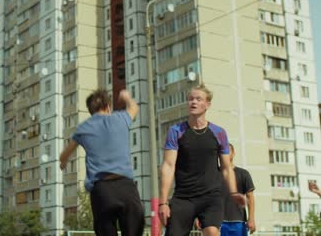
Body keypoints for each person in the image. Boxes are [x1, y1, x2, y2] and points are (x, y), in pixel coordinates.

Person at [159, 84, 245, 236]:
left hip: (210, 196)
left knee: (212, 232)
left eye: (199, 99)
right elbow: (168, 165)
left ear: (207, 104)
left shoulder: (219, 133)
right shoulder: (176, 131)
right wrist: (163, 202)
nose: (193, 102)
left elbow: (226, 168)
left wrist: (233, 192)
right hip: (183, 197)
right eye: (191, 99)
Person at [59, 89, 144, 236]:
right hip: (126, 187)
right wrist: (126, 97)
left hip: (102, 191)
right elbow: (134, 108)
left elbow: (64, 154)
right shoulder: (120, 118)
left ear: (90, 110)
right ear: (108, 106)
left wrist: (64, 162)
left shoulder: (83, 128)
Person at [220, 144, 256, 235]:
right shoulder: (213, 173)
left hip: (239, 222)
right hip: (217, 222)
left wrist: (251, 218)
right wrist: (199, 217)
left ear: (233, 153)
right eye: (223, 151)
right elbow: (206, 196)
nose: (225, 154)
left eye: (228, 151)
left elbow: (250, 197)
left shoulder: (243, 174)